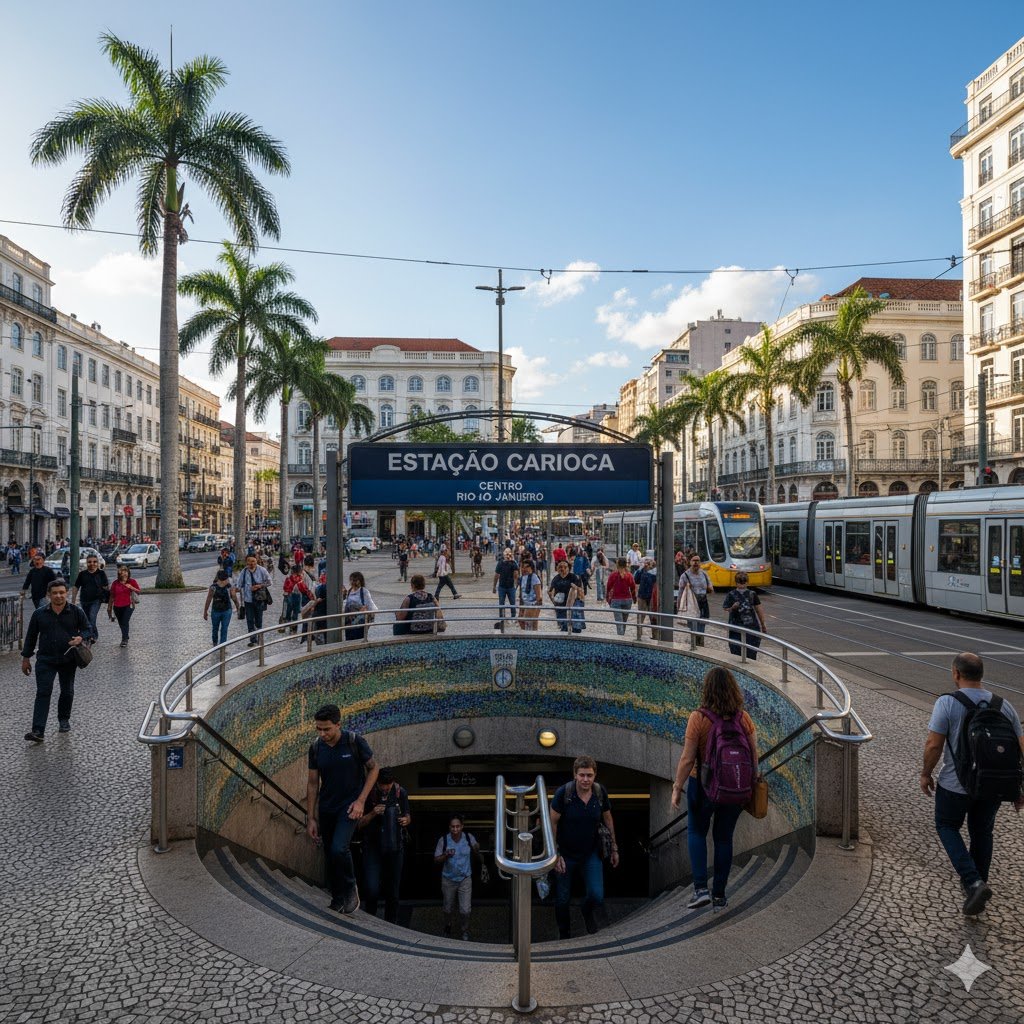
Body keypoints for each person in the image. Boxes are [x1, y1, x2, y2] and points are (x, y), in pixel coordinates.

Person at [920, 652, 1024, 915]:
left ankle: (973, 881)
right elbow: (1020, 748)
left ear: (956, 673)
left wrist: (925, 773)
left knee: (946, 826)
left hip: (956, 785)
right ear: (981, 675)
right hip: (993, 786)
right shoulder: (1004, 705)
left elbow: (934, 744)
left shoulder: (947, 703)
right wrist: (1019, 788)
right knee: (982, 832)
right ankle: (977, 888)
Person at [672, 666, 758, 910]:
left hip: (703, 785)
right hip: (735, 788)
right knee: (724, 839)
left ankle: (701, 889)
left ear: (706, 690)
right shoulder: (744, 718)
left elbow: (688, 759)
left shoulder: (698, 718)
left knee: (696, 832)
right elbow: (753, 755)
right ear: (734, 690)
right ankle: (719, 894)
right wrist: (751, 782)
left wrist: (677, 787)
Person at [306, 704, 379, 914]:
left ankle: (350, 888)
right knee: (330, 854)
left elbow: (374, 769)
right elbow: (312, 783)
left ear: (338, 724)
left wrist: (361, 801)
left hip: (349, 808)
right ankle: (337, 897)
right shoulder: (316, 747)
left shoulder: (354, 742)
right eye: (318, 729)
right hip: (327, 807)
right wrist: (311, 817)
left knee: (339, 848)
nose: (322, 733)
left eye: (326, 729)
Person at [550, 756, 619, 938]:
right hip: (565, 854)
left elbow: (608, 819)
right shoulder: (563, 794)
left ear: (594, 775)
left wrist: (614, 848)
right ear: (575, 775)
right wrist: (555, 854)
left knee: (597, 895)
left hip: (590, 853)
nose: (586, 780)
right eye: (582, 775)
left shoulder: (599, 792)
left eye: (589, 775)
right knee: (562, 899)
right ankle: (564, 933)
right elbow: (552, 825)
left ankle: (586, 910)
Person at [22, 579, 90, 742]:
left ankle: (64, 719)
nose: (58, 596)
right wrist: (26, 658)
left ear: (66, 593)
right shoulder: (39, 614)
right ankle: (38, 731)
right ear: (48, 595)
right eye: (54, 593)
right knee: (43, 692)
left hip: (68, 659)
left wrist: (82, 637)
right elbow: (31, 637)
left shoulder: (76, 611)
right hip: (46, 659)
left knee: (67, 691)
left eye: (61, 592)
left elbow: (88, 629)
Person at [357, 767, 411, 923]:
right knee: (372, 889)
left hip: (395, 847)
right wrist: (373, 813)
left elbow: (408, 815)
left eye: (389, 785)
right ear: (377, 784)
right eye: (383, 786)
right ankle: (370, 920)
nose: (386, 789)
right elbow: (359, 824)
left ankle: (390, 925)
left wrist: (406, 820)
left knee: (393, 892)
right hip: (373, 847)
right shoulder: (368, 794)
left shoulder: (401, 793)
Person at [433, 813, 487, 940]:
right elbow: (436, 859)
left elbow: (476, 849)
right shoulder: (444, 840)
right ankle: (448, 925)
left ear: (462, 826)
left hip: (465, 879)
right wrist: (445, 855)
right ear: (449, 827)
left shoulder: (468, 837)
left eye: (458, 826)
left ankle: (465, 930)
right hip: (448, 880)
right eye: (453, 827)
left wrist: (477, 847)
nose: (455, 829)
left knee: (465, 910)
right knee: (447, 908)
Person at [722, 572, 767, 659]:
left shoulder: (752, 594)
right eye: (740, 582)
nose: (742, 585)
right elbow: (726, 608)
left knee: (750, 651)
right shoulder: (731, 594)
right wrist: (732, 607)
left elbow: (759, 609)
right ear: (736, 583)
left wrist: (763, 625)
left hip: (750, 627)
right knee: (737, 650)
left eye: (744, 582)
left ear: (747, 582)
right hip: (737, 627)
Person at [72, 554, 110, 643]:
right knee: (86, 619)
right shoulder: (82, 574)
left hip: (96, 600)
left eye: (94, 562)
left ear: (97, 563)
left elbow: (106, 587)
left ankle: (93, 636)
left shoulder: (101, 573)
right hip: (84, 600)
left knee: (92, 617)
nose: (92, 564)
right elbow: (76, 587)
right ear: (86, 563)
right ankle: (90, 634)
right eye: (89, 562)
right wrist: (73, 600)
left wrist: (109, 599)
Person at [679, 555, 714, 646]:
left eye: (698, 561)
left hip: (703, 602)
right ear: (689, 562)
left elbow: (711, 589)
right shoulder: (685, 575)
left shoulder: (704, 574)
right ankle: (694, 645)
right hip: (692, 603)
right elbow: (681, 592)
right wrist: (679, 606)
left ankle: (700, 645)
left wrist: (709, 588)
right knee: (693, 627)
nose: (696, 563)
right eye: (694, 560)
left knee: (702, 625)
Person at [238, 553, 272, 647]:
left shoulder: (262, 570)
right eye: (249, 561)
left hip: (259, 599)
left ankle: (260, 637)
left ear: (256, 561)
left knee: (258, 619)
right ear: (246, 562)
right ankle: (253, 639)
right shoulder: (244, 571)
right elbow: (239, 584)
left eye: (253, 561)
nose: (251, 563)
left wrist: (259, 586)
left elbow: (269, 582)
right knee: (249, 620)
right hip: (248, 600)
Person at [107, 564, 141, 647]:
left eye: (125, 571)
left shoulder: (132, 581)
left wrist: (131, 587)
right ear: (119, 573)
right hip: (117, 606)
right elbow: (112, 596)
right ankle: (126, 636)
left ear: (128, 572)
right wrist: (109, 607)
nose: (124, 573)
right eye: (122, 571)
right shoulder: (115, 583)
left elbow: (139, 591)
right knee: (121, 623)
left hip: (128, 605)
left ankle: (124, 639)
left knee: (125, 622)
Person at [204, 569, 240, 646]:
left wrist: (205, 611)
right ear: (226, 577)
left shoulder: (213, 587)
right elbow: (234, 598)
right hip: (225, 610)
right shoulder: (228, 587)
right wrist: (238, 607)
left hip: (219, 610)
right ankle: (219, 644)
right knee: (223, 628)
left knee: (216, 628)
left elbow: (208, 599)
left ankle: (219, 644)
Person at [548, 559, 584, 633]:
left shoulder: (574, 577)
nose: (563, 569)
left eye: (565, 567)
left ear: (569, 568)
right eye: (560, 567)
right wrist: (554, 603)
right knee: (563, 628)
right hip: (560, 607)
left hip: (573, 606)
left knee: (576, 629)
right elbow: (550, 592)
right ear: (557, 568)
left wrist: (575, 588)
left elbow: (581, 592)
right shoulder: (556, 579)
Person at [605, 557, 637, 637]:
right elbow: (633, 588)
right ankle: (622, 638)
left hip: (616, 600)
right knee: (623, 622)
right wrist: (634, 598)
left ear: (617, 564)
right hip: (627, 600)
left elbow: (608, 587)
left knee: (619, 623)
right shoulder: (629, 575)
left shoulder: (613, 575)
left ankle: (621, 639)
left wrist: (608, 599)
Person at [342, 571, 377, 642]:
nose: (353, 582)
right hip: (349, 624)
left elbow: (371, 607)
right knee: (349, 642)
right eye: (351, 580)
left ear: (360, 581)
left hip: (360, 623)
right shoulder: (349, 591)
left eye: (355, 580)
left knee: (359, 641)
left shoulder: (364, 591)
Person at [283, 563, 315, 633]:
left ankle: (290, 627)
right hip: (295, 595)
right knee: (294, 612)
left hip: (291, 595)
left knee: (290, 612)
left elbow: (285, 587)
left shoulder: (292, 577)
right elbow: (306, 587)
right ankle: (293, 628)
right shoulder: (300, 578)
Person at [492, 549, 519, 628]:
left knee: (506, 603)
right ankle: (507, 618)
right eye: (506, 554)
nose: (507, 556)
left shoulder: (512, 563)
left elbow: (516, 575)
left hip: (506, 587)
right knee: (509, 603)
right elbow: (496, 575)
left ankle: (504, 618)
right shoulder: (503, 563)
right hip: (505, 587)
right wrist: (494, 586)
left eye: (508, 554)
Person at [635, 557, 659, 640]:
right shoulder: (643, 570)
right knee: (640, 617)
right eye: (646, 562)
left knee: (654, 618)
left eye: (649, 562)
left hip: (652, 598)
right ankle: (639, 635)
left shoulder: (655, 572)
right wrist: (640, 569)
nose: (647, 564)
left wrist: (647, 571)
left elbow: (651, 581)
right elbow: (636, 580)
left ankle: (655, 636)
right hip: (642, 597)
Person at [517, 558, 543, 630]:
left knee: (529, 625)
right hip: (525, 604)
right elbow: (521, 594)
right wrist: (521, 609)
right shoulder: (522, 578)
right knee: (522, 621)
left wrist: (536, 609)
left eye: (526, 567)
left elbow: (539, 595)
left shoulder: (534, 578)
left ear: (531, 568)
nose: (524, 569)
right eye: (522, 567)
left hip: (532, 604)